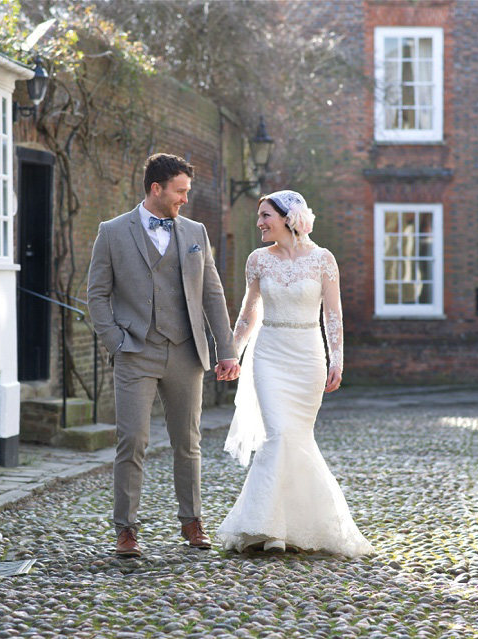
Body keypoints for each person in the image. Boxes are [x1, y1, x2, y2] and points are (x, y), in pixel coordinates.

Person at [87, 153, 240, 558]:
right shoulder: (113, 232)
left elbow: (212, 293)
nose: (184, 199)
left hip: (186, 353)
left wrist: (226, 351)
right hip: (135, 352)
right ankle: (126, 530)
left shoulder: (195, 232)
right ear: (156, 189)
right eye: (180, 191)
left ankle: (192, 522)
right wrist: (115, 342)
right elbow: (97, 294)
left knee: (188, 442)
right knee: (132, 440)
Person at [216, 190, 373, 557]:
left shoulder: (323, 260)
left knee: (296, 438)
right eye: (259, 217)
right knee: (279, 435)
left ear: (288, 218)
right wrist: (231, 353)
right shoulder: (258, 261)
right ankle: (267, 528)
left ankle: (297, 524)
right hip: (269, 355)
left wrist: (338, 359)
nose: (259, 223)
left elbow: (332, 314)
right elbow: (248, 313)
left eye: (265, 216)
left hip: (307, 358)